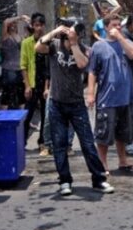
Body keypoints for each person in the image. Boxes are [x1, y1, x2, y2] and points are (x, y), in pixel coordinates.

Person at [36, 19, 113, 196]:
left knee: (87, 143)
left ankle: (99, 179)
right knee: (59, 143)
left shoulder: (85, 49)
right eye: (71, 29)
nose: (74, 32)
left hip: (77, 104)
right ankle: (64, 180)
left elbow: (81, 65)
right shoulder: (54, 45)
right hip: (56, 103)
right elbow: (38, 48)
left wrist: (73, 44)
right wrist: (55, 32)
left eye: (76, 30)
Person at [86, 15, 133, 173]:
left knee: (123, 133)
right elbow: (92, 72)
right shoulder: (98, 46)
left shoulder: (126, 43)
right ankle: (102, 164)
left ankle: (122, 160)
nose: (117, 28)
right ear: (106, 27)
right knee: (104, 133)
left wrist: (121, 39)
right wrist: (90, 93)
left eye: (119, 25)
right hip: (107, 98)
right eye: (114, 25)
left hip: (126, 96)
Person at [20, 13, 49, 154]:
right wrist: (26, 86)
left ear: (44, 26)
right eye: (36, 25)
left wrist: (47, 87)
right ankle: (22, 141)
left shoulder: (48, 41)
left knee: (45, 114)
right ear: (32, 26)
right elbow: (23, 65)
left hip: (45, 82)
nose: (38, 28)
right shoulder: (26, 43)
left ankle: (43, 142)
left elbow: (50, 67)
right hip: (32, 83)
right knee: (28, 113)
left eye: (41, 25)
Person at [0, 15, 29, 109]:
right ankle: (3, 118)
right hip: (8, 69)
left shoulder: (21, 36)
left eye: (15, 24)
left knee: (21, 95)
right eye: (11, 24)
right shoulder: (5, 36)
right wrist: (20, 17)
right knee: (6, 95)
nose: (13, 25)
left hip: (20, 69)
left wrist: (27, 22)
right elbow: (5, 22)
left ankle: (22, 119)